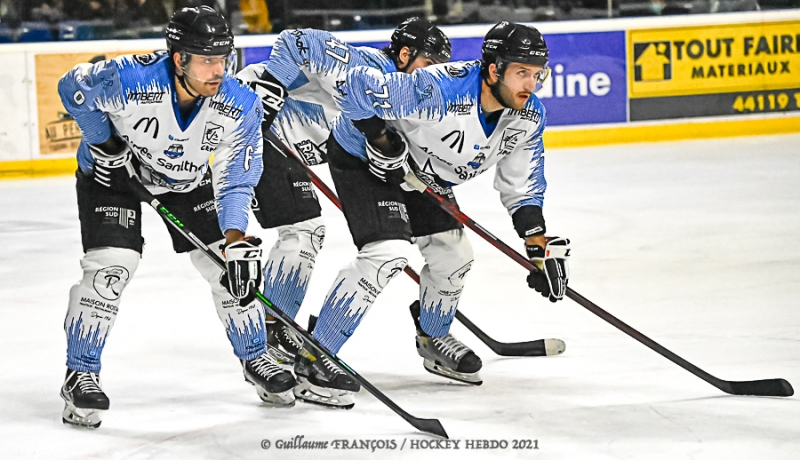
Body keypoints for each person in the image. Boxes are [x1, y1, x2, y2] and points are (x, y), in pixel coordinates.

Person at [296, 21, 570, 408]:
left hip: (423, 175)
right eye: (521, 72)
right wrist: (380, 138)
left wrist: (537, 243)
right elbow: (356, 85)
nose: (531, 84)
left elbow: (522, 184)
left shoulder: (527, 117)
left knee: (454, 256)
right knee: (387, 255)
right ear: (494, 70)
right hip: (366, 160)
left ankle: (433, 336)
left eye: (537, 74)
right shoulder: (439, 90)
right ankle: (315, 356)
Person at [57, 6, 295, 429]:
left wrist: (236, 239)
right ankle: (81, 373)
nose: (218, 70)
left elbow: (236, 178)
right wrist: (104, 144)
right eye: (207, 59)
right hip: (115, 177)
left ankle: (256, 356)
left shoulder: (239, 103)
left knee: (228, 266)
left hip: (187, 180)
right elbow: (72, 86)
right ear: (179, 58)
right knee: (112, 267)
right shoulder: (133, 79)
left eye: (223, 58)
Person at [234, 18, 452, 383]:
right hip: (256, 125)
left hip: (290, 146)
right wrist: (268, 94)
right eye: (428, 64)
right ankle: (270, 330)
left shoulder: (409, 100)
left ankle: (276, 326)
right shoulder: (366, 68)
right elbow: (295, 40)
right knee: (302, 231)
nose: (432, 76)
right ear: (403, 55)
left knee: (309, 233)